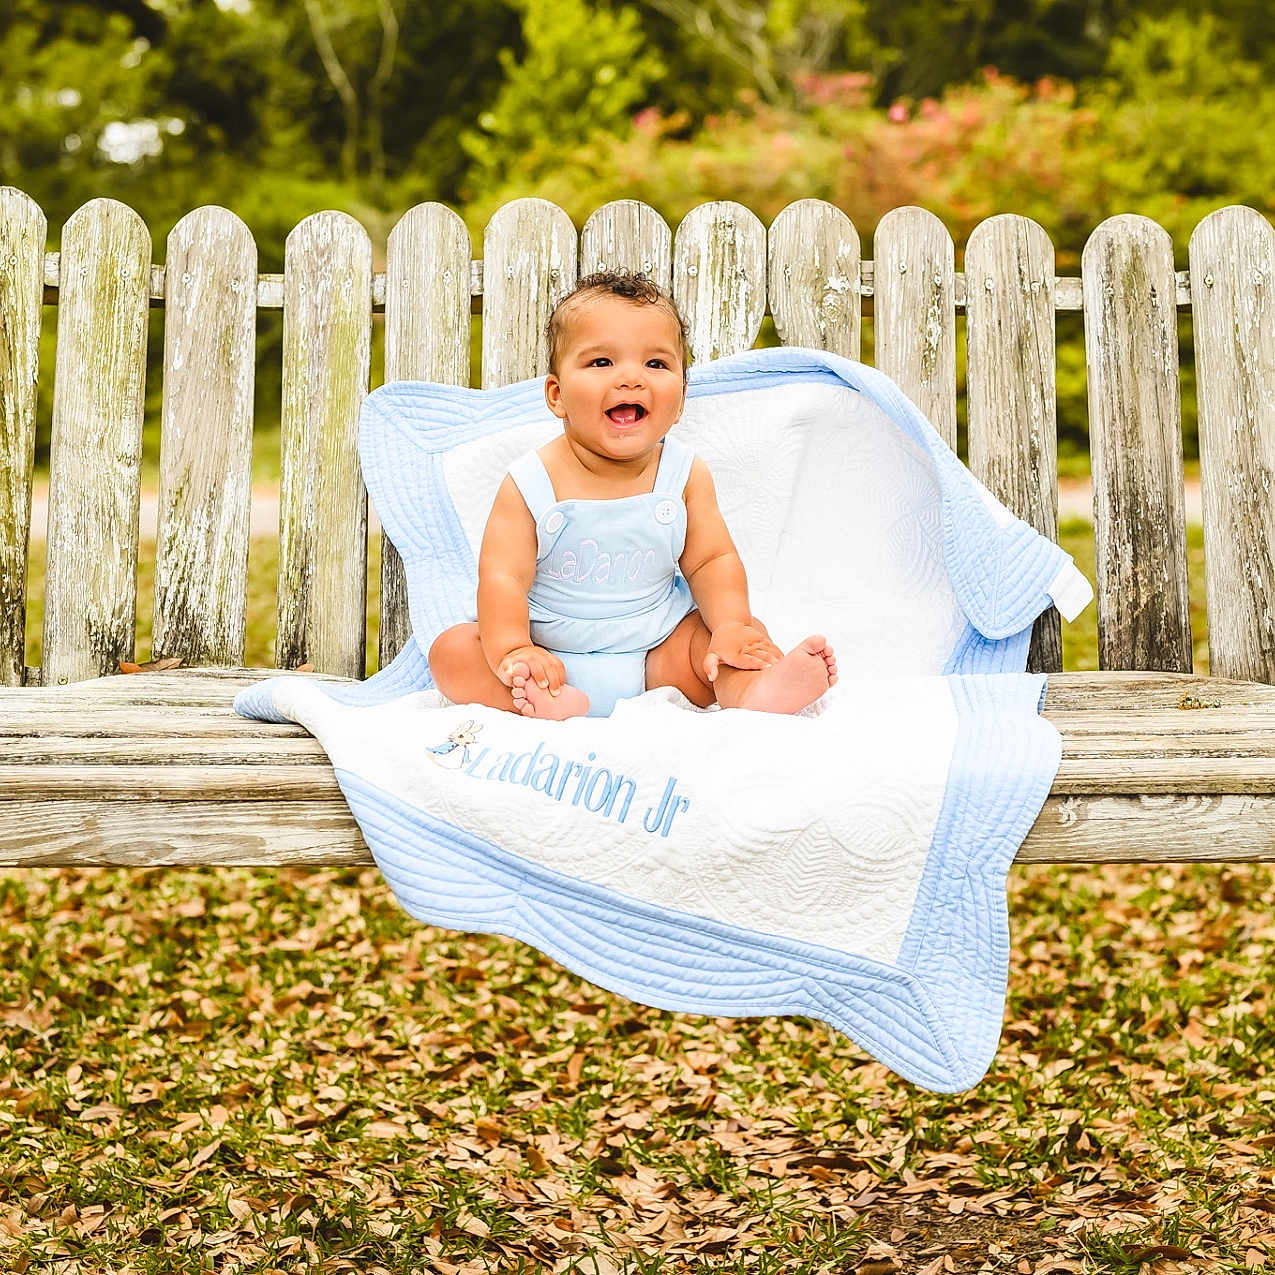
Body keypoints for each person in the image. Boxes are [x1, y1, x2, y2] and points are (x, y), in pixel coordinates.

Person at [428, 270, 838, 719]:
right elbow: (503, 578)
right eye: (601, 362)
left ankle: (755, 691)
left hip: (657, 652)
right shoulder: (530, 483)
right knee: (452, 651)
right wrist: (515, 649)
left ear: (681, 399)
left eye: (656, 364)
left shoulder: (683, 476)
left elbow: (711, 560)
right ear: (557, 394)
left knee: (725, 637)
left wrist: (732, 625)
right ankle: (539, 697)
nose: (630, 378)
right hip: (549, 654)